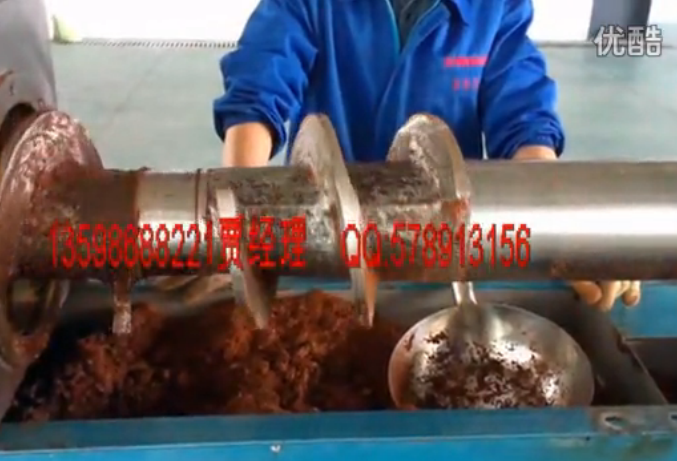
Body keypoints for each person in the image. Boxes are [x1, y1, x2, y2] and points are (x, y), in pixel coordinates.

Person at [153, 0, 640, 311]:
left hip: (442, 252)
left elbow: (524, 122)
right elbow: (261, 86)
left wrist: (565, 227)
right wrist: (237, 214)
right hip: (320, 241)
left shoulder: (494, 8)